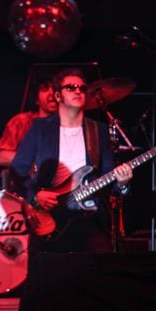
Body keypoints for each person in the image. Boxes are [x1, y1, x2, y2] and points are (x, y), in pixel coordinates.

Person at [10, 68, 133, 310]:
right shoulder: (40, 128)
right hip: (49, 213)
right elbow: (18, 170)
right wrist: (35, 195)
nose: (78, 91)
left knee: (101, 276)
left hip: (88, 215)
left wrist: (123, 183)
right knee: (42, 280)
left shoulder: (97, 131)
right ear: (57, 96)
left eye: (82, 88)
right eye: (71, 87)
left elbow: (111, 179)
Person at [0, 77, 57, 191]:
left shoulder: (70, 125)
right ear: (36, 99)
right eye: (45, 89)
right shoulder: (21, 121)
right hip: (28, 190)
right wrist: (34, 160)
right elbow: (0, 157)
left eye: (55, 89)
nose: (51, 93)